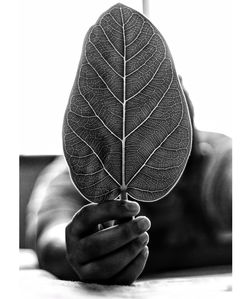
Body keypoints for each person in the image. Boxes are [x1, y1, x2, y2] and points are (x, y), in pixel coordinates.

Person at [25, 79, 232, 285]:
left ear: (200, 158)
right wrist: (78, 251)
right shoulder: (78, 174)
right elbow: (52, 237)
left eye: (169, 169)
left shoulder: (219, 164)